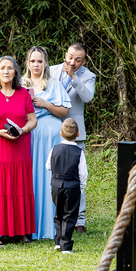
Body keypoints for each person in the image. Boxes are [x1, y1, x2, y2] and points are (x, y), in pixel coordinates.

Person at [0, 56, 37, 245]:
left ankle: (21, 231)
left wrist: (22, 130)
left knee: (20, 186)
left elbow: (33, 120)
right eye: (2, 68)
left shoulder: (23, 94)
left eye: (9, 68)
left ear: (15, 72)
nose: (5, 71)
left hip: (20, 149)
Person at [24, 46, 70, 240]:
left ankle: (50, 226)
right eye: (32, 61)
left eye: (39, 61)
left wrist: (46, 104)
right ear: (27, 63)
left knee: (49, 176)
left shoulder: (53, 83)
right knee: (30, 176)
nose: (36, 65)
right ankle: (29, 224)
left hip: (50, 135)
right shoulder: (20, 83)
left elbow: (64, 112)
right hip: (29, 135)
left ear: (45, 63)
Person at [49, 42, 96, 233]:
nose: (72, 62)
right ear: (65, 55)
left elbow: (87, 97)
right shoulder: (51, 70)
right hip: (51, 128)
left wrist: (74, 77)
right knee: (52, 173)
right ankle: (52, 215)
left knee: (76, 175)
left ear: (83, 61)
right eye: (70, 57)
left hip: (74, 132)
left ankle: (79, 219)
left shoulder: (88, 76)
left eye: (77, 59)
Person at [48, 118, 88, 254]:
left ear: (61, 134)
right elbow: (83, 173)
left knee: (58, 213)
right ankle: (66, 246)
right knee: (69, 215)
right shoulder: (79, 152)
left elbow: (48, 165)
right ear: (78, 134)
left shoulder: (55, 149)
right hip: (72, 187)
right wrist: (81, 189)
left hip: (56, 186)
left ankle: (58, 241)